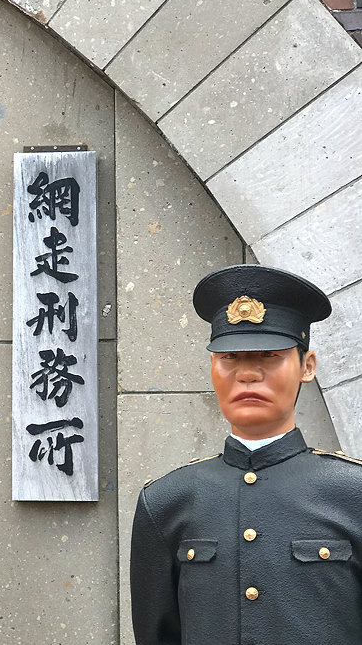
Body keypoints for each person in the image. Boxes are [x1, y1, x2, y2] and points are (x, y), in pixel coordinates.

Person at [130, 264, 362, 645]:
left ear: (307, 366)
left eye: (269, 355)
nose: (248, 374)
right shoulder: (166, 502)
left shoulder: (352, 494)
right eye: (230, 357)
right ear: (212, 367)